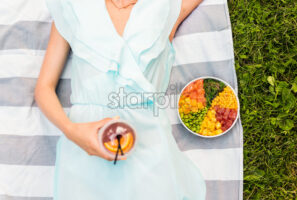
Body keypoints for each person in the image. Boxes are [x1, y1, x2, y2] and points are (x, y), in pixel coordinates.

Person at [35, 0, 206, 199]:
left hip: (148, 141)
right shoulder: (74, 7)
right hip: (85, 141)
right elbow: (43, 88)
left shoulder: (164, 7)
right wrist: (72, 130)